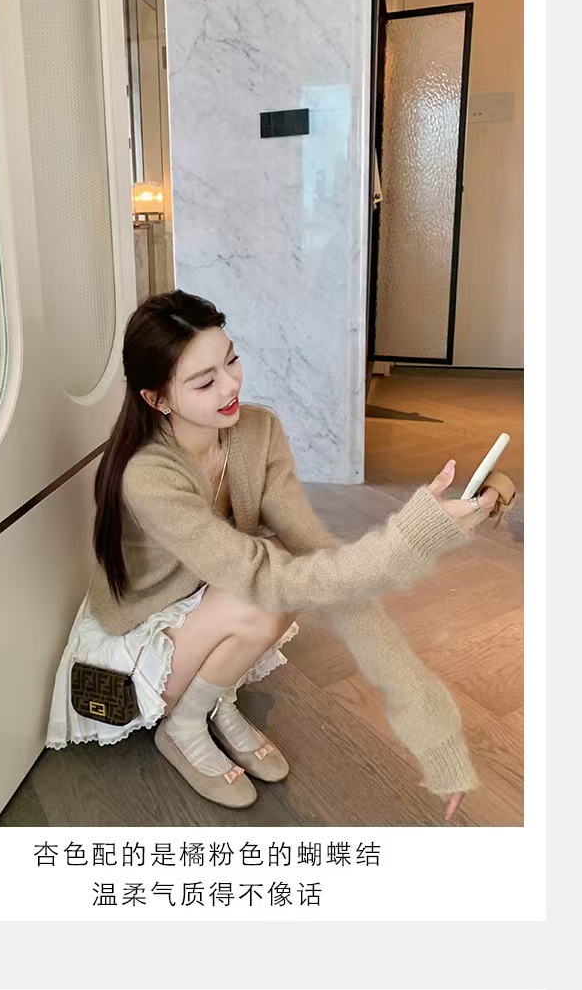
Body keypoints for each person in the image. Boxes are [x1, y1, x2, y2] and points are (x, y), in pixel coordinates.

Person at [46, 290, 504, 820]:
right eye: (204, 382)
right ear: (157, 399)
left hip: (207, 602)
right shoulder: (148, 475)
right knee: (268, 586)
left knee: (293, 566)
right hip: (141, 640)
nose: (230, 386)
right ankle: (183, 726)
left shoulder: (257, 431)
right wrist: (410, 537)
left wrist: (433, 732)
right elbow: (264, 578)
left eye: (232, 360)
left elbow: (320, 560)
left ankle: (209, 702)